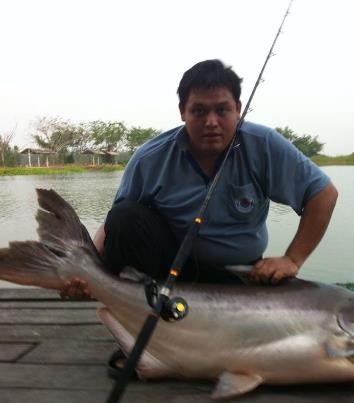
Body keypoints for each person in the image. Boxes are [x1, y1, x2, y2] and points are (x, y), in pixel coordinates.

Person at [61, 59, 338, 375]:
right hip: (169, 273)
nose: (211, 121)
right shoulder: (150, 158)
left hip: (243, 275)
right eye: (199, 111)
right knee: (126, 216)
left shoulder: (263, 145)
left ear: (238, 108)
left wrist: (293, 258)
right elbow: (114, 225)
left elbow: (323, 194)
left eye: (222, 110)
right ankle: (148, 336)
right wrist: (88, 271)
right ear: (182, 111)